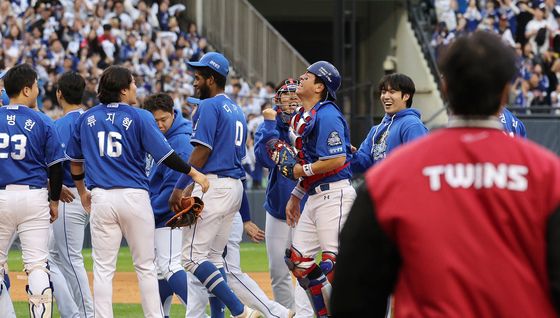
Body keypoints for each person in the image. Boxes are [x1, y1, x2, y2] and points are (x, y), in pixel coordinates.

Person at [332, 31, 560, 317]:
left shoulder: (389, 177)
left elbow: (353, 294)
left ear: (445, 88)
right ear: (506, 91)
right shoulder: (549, 176)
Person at [65, 65, 209, 318]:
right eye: (132, 84)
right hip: (134, 196)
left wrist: (82, 191)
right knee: (145, 267)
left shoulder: (86, 118)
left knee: (103, 269)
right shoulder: (141, 116)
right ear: (122, 90)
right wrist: (194, 173)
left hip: (102, 197)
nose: (135, 87)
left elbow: (75, 162)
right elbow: (165, 156)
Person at [169, 52, 262, 318]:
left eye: (199, 77)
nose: (194, 81)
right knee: (212, 258)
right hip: (232, 187)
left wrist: (179, 185)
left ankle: (240, 310)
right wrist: (191, 187)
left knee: (190, 257)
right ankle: (222, 315)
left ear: (212, 78)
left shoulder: (208, 107)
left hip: (215, 185)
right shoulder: (237, 110)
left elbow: (201, 153)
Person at [281, 61, 356, 317]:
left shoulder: (327, 114)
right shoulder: (305, 115)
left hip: (335, 194)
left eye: (307, 76)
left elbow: (336, 159)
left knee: (332, 265)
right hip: (314, 196)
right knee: (298, 261)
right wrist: (296, 194)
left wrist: (303, 172)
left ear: (320, 86)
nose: (301, 78)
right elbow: (311, 160)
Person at [0, 63, 65, 317]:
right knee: (37, 264)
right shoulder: (42, 121)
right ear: (26, 90)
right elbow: (56, 167)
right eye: (36, 85)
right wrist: (55, 201)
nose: (39, 88)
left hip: (1, 195)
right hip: (33, 195)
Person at [253, 79, 313, 317]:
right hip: (278, 208)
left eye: (294, 97)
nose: (290, 102)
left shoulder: (311, 122)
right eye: (285, 98)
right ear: (277, 100)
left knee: (303, 269)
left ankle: (305, 314)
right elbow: (264, 159)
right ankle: (287, 313)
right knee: (278, 270)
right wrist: (270, 124)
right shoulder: (271, 124)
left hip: (307, 206)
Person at [48, 71, 94, 318]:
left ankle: (86, 314)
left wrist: (53, 185)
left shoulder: (61, 124)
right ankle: (72, 312)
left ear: (59, 94)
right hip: (93, 193)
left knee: (70, 259)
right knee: (50, 258)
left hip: (69, 196)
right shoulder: (93, 119)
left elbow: (57, 164)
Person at [143, 93, 193, 318]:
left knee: (171, 266)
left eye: (164, 119)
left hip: (169, 214)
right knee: (161, 272)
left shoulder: (179, 141)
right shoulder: (160, 137)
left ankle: (199, 311)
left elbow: (173, 187)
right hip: (160, 211)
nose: (161, 124)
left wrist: (148, 213)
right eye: (156, 121)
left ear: (173, 114)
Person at [351, 73, 428, 173]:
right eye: (383, 92)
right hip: (381, 187)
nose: (386, 96)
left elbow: (419, 163)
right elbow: (363, 164)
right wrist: (349, 153)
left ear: (406, 96)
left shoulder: (411, 124)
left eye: (392, 92)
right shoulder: (376, 130)